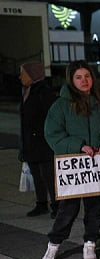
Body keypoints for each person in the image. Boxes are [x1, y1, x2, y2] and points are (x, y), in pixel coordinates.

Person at [40, 61, 100, 259]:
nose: (84, 81)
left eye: (87, 76)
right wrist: (79, 146)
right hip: (74, 168)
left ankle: (90, 242)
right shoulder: (60, 106)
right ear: (71, 80)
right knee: (67, 209)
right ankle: (54, 244)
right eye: (79, 77)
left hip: (95, 168)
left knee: (95, 208)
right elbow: (53, 135)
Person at [19, 62, 58, 218]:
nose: (20, 77)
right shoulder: (26, 91)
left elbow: (52, 117)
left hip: (43, 143)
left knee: (48, 176)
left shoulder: (44, 92)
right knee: (36, 174)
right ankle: (41, 203)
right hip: (31, 143)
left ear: (33, 74)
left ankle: (56, 205)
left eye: (24, 73)